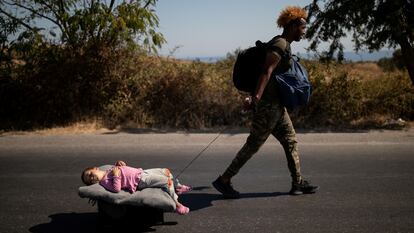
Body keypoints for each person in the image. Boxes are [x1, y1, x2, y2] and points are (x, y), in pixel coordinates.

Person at [212, 6, 319, 198]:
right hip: (268, 106)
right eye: (303, 27)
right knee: (254, 144)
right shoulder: (280, 44)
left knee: (290, 141)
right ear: (293, 26)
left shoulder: (285, 44)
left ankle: (297, 183)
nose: (305, 31)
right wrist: (256, 98)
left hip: (277, 105)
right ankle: (224, 179)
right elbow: (266, 71)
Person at [81, 160, 192, 215]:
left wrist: (120, 164)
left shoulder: (108, 169)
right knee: (166, 182)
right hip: (140, 181)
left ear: (95, 168)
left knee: (166, 172)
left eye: (90, 174)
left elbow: (124, 170)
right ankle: (177, 204)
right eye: (89, 181)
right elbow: (116, 188)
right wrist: (116, 175)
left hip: (141, 172)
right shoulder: (104, 182)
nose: (92, 178)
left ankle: (178, 187)